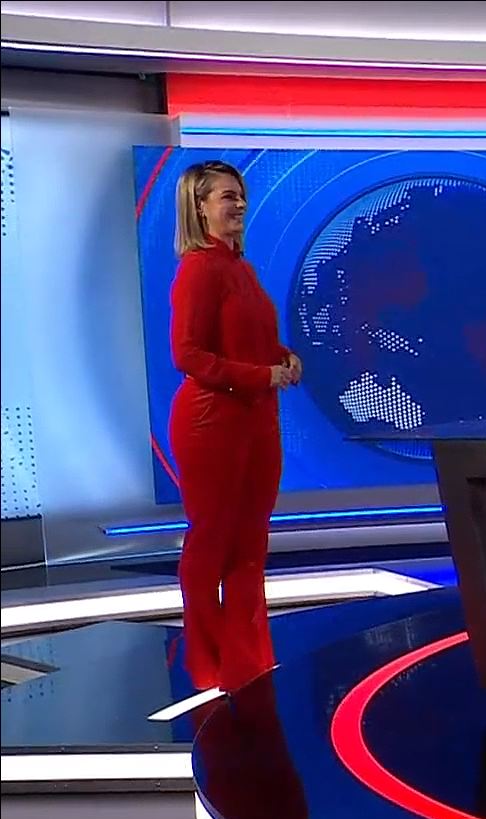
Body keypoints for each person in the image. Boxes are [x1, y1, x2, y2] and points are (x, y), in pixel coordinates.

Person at [168, 160, 300, 692]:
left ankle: (248, 663)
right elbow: (188, 353)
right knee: (212, 542)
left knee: (250, 544)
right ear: (200, 208)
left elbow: (249, 340)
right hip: (212, 424)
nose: (239, 203)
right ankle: (207, 667)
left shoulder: (240, 269)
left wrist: (282, 357)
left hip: (257, 420)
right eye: (227, 196)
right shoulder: (199, 269)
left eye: (240, 194)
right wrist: (260, 375)